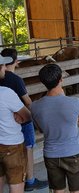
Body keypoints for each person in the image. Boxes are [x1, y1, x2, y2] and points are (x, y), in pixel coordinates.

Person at [30, 64, 79, 193]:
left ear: (43, 82)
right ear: (61, 79)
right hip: (73, 153)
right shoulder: (75, 102)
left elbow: (41, 129)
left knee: (57, 190)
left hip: (51, 154)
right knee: (76, 190)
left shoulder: (35, 106)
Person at [0, 48, 49, 191]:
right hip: (15, 130)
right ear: (16, 61)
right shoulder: (15, 80)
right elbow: (27, 103)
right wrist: (38, 115)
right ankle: (30, 180)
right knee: (28, 148)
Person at [0, 54, 31, 193]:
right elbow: (27, 116)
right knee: (16, 184)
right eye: (2, 66)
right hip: (11, 145)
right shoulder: (6, 93)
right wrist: (19, 116)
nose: (5, 68)